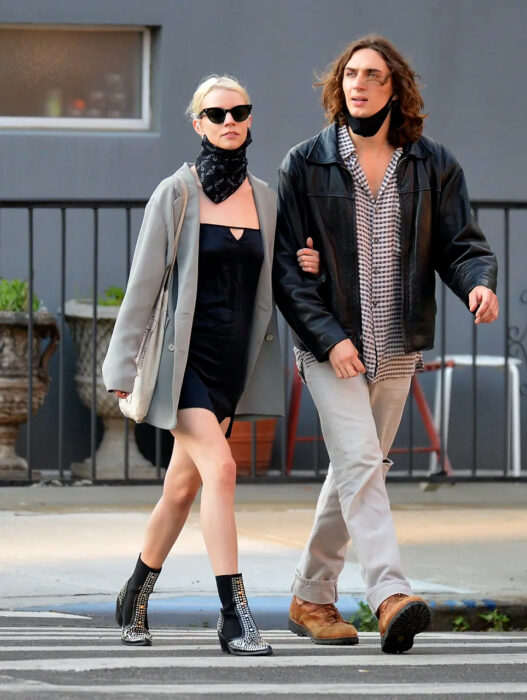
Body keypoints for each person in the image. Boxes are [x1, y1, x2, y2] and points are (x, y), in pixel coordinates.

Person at [272, 35, 498, 654]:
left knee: (356, 468)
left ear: (395, 88)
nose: (359, 84)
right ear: (339, 85)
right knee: (362, 464)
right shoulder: (305, 164)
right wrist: (329, 339)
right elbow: (288, 270)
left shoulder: (432, 164)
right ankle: (390, 592)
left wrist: (478, 284)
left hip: (397, 345)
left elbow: (461, 245)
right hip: (330, 345)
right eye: (351, 75)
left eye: (373, 75)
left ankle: (310, 596)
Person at [102, 75, 319, 656]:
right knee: (222, 470)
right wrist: (121, 368)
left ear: (249, 119)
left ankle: (133, 594)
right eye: (217, 113)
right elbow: (143, 285)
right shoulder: (177, 193)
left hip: (231, 367)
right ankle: (234, 616)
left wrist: (308, 264)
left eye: (239, 111)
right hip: (183, 367)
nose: (230, 122)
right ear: (198, 123)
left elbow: (280, 279)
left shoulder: (266, 198)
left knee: (180, 490)